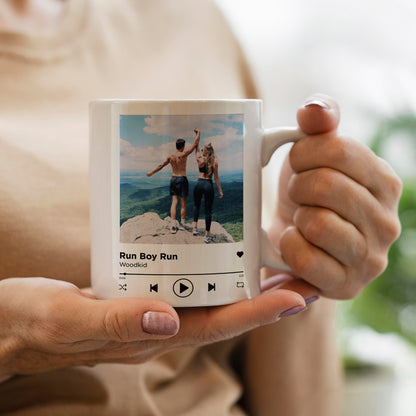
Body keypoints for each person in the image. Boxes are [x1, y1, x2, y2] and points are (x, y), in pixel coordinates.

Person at [0, 1, 402, 415]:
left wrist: (303, 252)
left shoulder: (191, 16)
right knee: (180, 202)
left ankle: (181, 226)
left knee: (182, 203)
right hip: (184, 182)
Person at [147, 129, 200, 233]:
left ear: (176, 146)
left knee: (174, 202)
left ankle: (173, 224)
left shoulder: (171, 156)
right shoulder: (183, 154)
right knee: (183, 203)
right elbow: (195, 144)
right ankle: (183, 224)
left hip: (174, 179)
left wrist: (151, 173)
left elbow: (161, 165)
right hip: (182, 179)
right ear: (183, 146)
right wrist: (198, 133)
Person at [192, 141, 224, 243]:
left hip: (199, 183)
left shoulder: (200, 160)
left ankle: (195, 228)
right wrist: (220, 190)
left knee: (196, 205)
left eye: (203, 150)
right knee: (208, 211)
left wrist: (197, 140)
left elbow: (196, 150)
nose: (201, 151)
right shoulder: (214, 162)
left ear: (205, 151)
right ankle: (207, 235)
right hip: (208, 185)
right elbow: (216, 178)